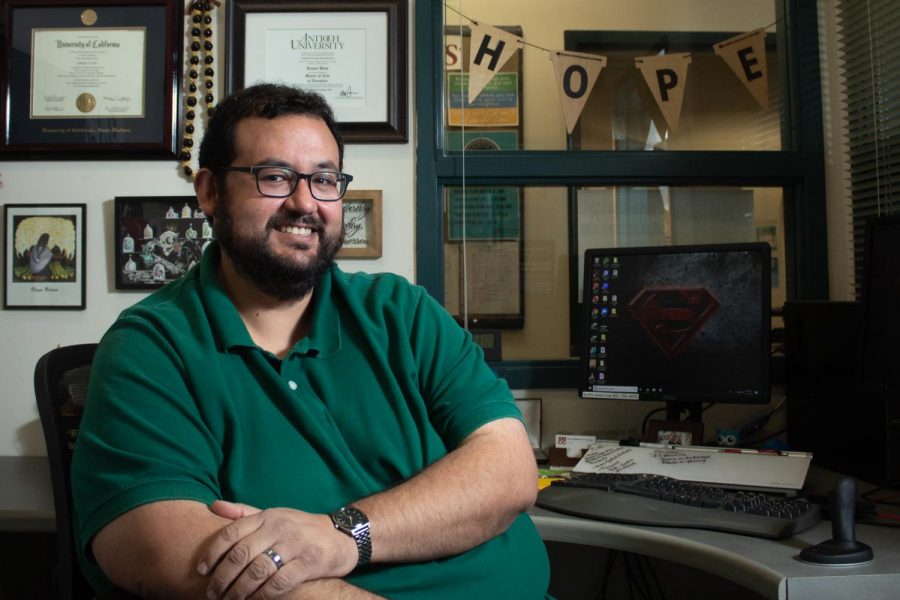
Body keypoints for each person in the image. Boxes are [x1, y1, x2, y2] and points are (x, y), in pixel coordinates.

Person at [71, 83, 551, 599]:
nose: (305, 202)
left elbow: (509, 469)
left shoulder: (403, 313)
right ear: (209, 191)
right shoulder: (151, 346)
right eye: (275, 176)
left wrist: (342, 535)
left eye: (324, 179)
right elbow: (156, 543)